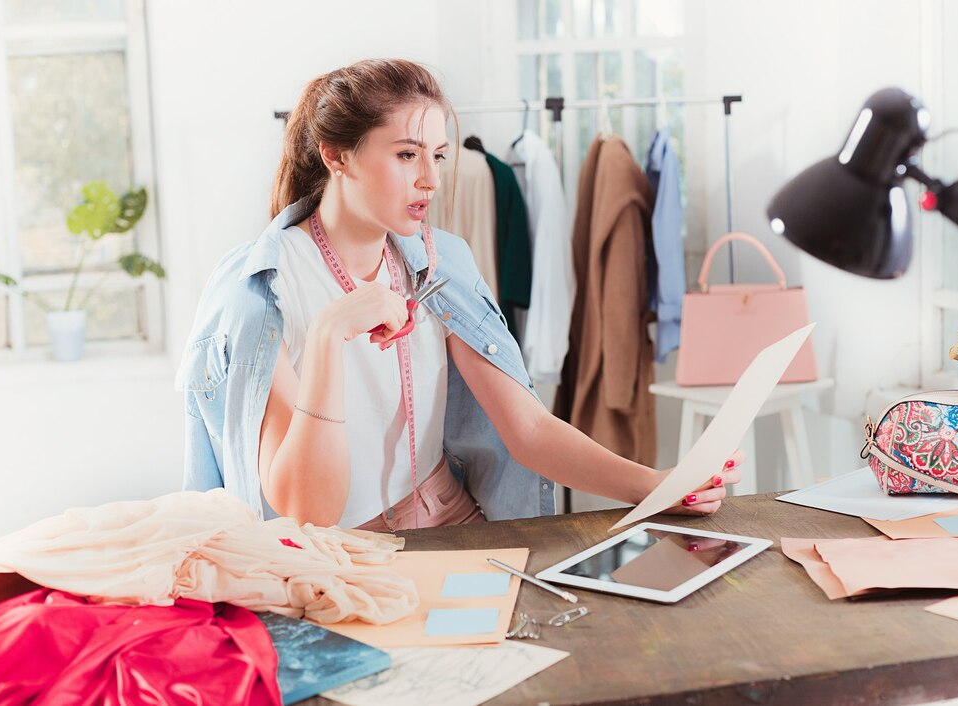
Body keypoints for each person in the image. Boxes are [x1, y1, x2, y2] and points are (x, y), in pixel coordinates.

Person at [176, 59, 743, 531]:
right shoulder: (262, 293)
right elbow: (309, 510)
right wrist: (327, 336)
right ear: (336, 155)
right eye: (406, 155)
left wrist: (655, 484)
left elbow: (528, 430)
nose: (432, 179)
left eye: (438, 154)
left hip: (450, 518)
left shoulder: (441, 261)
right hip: (340, 551)